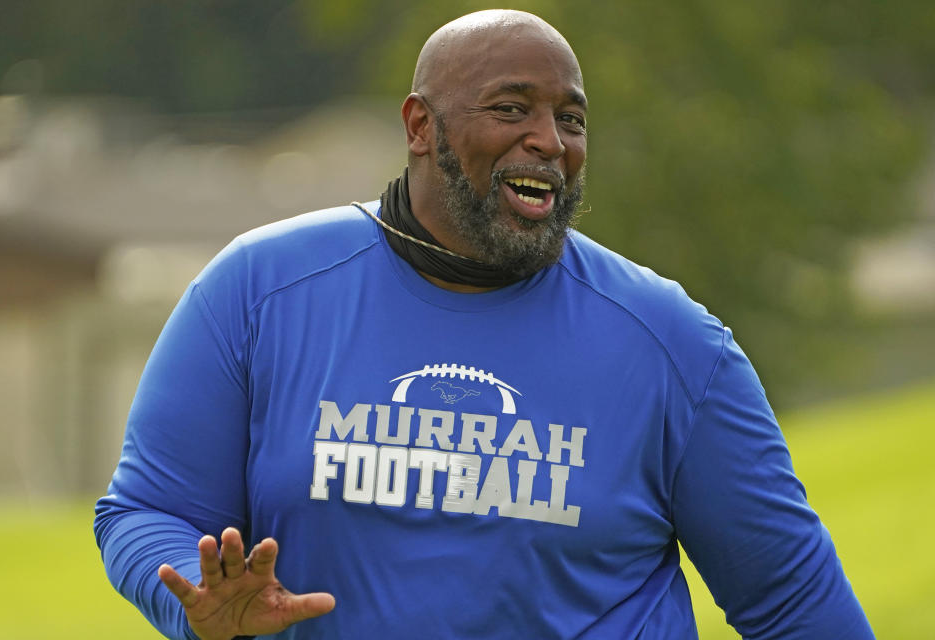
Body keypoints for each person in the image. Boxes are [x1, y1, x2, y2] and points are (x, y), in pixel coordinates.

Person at [94, 10, 874, 640]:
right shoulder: (259, 291)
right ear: (420, 126)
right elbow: (146, 510)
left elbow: (796, 606)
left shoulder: (673, 344)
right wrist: (198, 598)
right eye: (512, 108)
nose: (550, 140)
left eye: (571, 119)